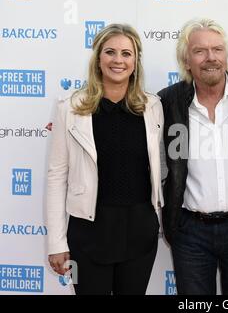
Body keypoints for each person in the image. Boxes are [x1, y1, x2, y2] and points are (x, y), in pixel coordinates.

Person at [46, 23, 164, 295]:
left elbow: (160, 167)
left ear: (136, 61)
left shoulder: (152, 107)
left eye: (126, 53)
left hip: (139, 231)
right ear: (98, 59)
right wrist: (56, 242)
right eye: (110, 52)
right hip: (88, 232)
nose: (118, 60)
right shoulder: (71, 108)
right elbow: (56, 177)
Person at [158, 18, 228, 295]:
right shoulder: (168, 102)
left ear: (226, 55)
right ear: (186, 61)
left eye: (217, 49)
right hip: (190, 232)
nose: (211, 58)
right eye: (200, 51)